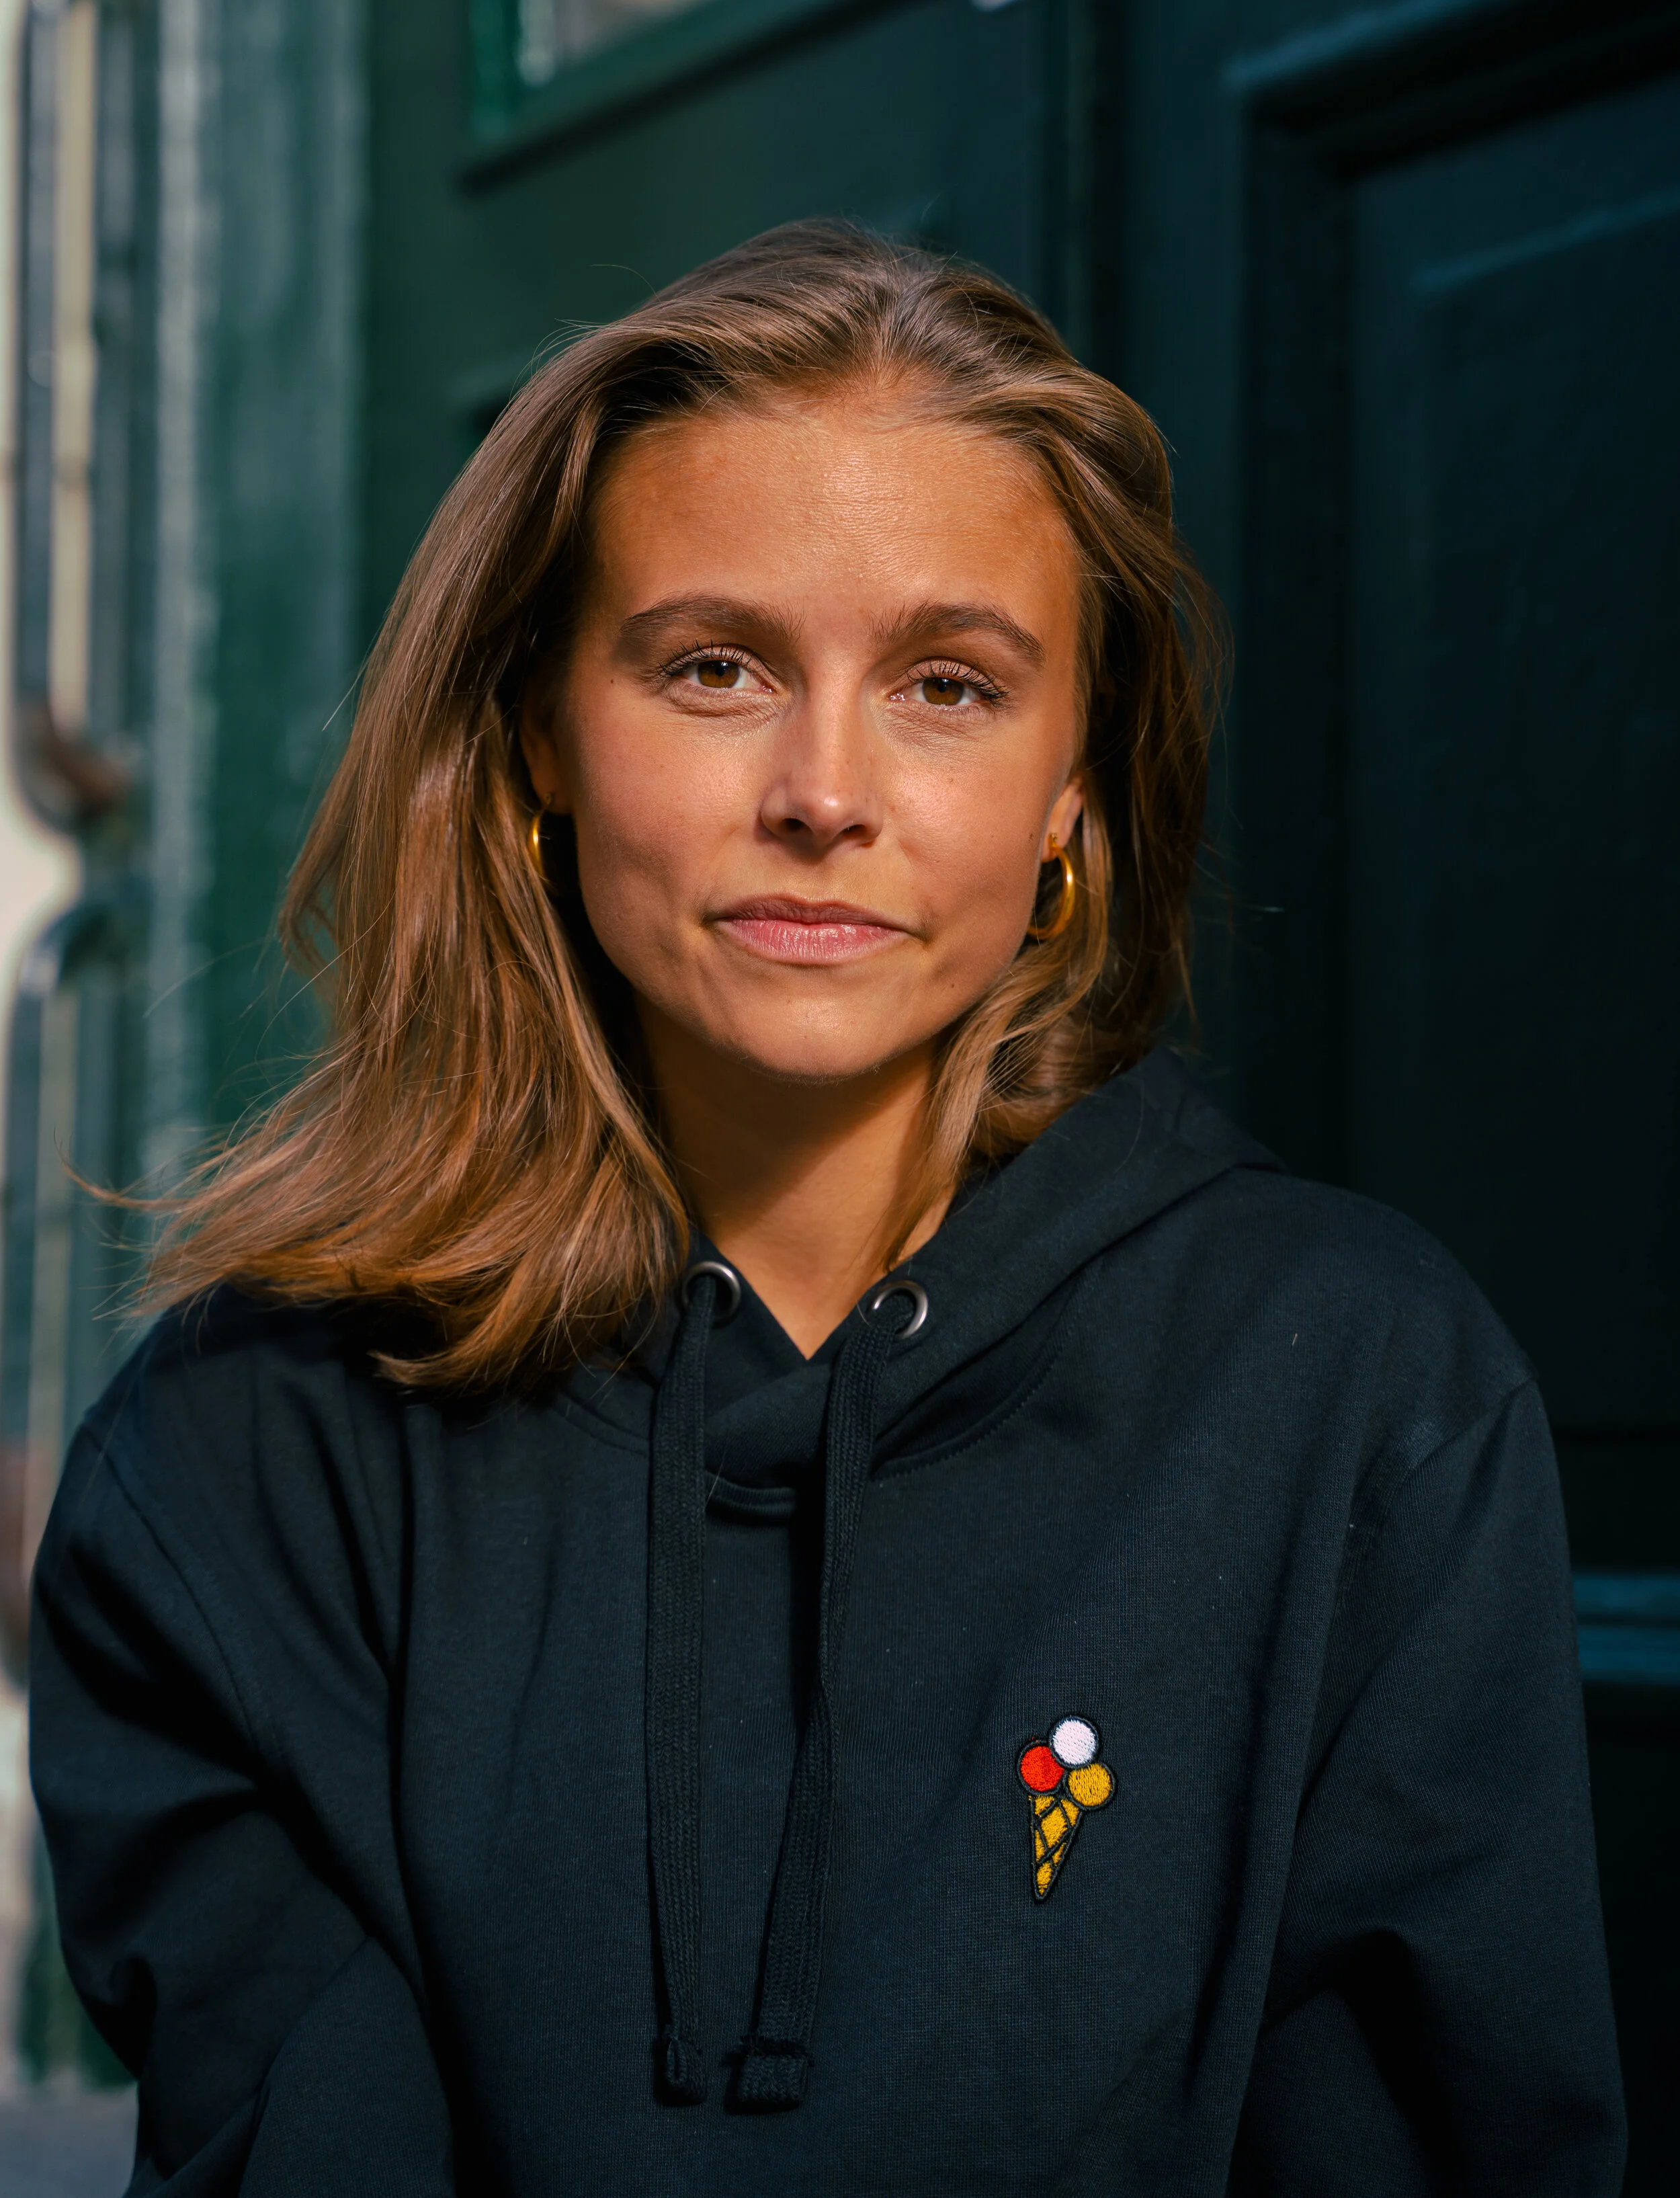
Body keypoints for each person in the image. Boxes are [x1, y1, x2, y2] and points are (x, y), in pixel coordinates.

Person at [30, 225, 1623, 2193]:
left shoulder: (1355, 1389)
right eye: (714, 666)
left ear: (1069, 788)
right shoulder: (247, 1456)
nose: (823, 789)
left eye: (948, 685)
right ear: (537, 726)